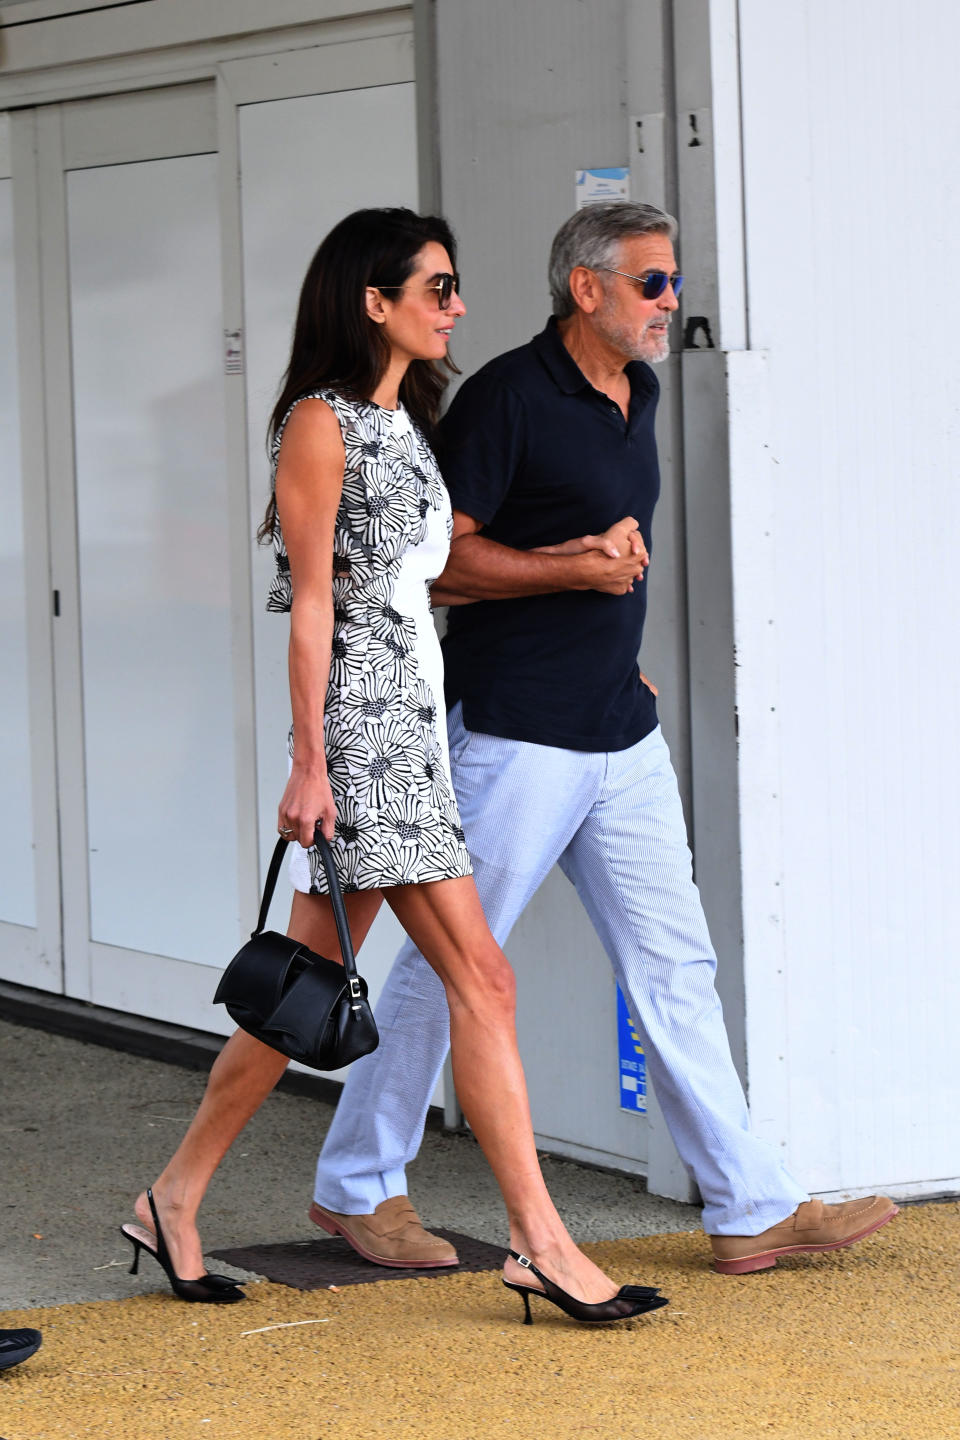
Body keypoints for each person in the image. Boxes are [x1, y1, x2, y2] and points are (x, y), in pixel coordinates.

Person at [309, 201, 898, 1278]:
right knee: (451, 969)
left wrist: (610, 643)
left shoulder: (643, 392)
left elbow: (607, 547)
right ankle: (356, 1186)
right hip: (517, 733)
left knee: (677, 963)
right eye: (652, 284)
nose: (671, 303)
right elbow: (439, 569)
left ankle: (746, 1202)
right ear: (587, 288)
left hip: (619, 732)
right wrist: (572, 574)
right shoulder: (507, 401)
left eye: (673, 283)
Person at [120, 207, 666, 1326]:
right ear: (373, 302)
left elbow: (427, 582)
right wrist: (311, 760)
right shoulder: (320, 426)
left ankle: (171, 1198)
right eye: (436, 288)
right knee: (485, 978)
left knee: (301, 994)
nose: (455, 306)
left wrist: (570, 566)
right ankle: (545, 1245)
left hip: (410, 719)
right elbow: (314, 606)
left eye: (454, 288)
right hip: (364, 735)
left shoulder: (402, 421)